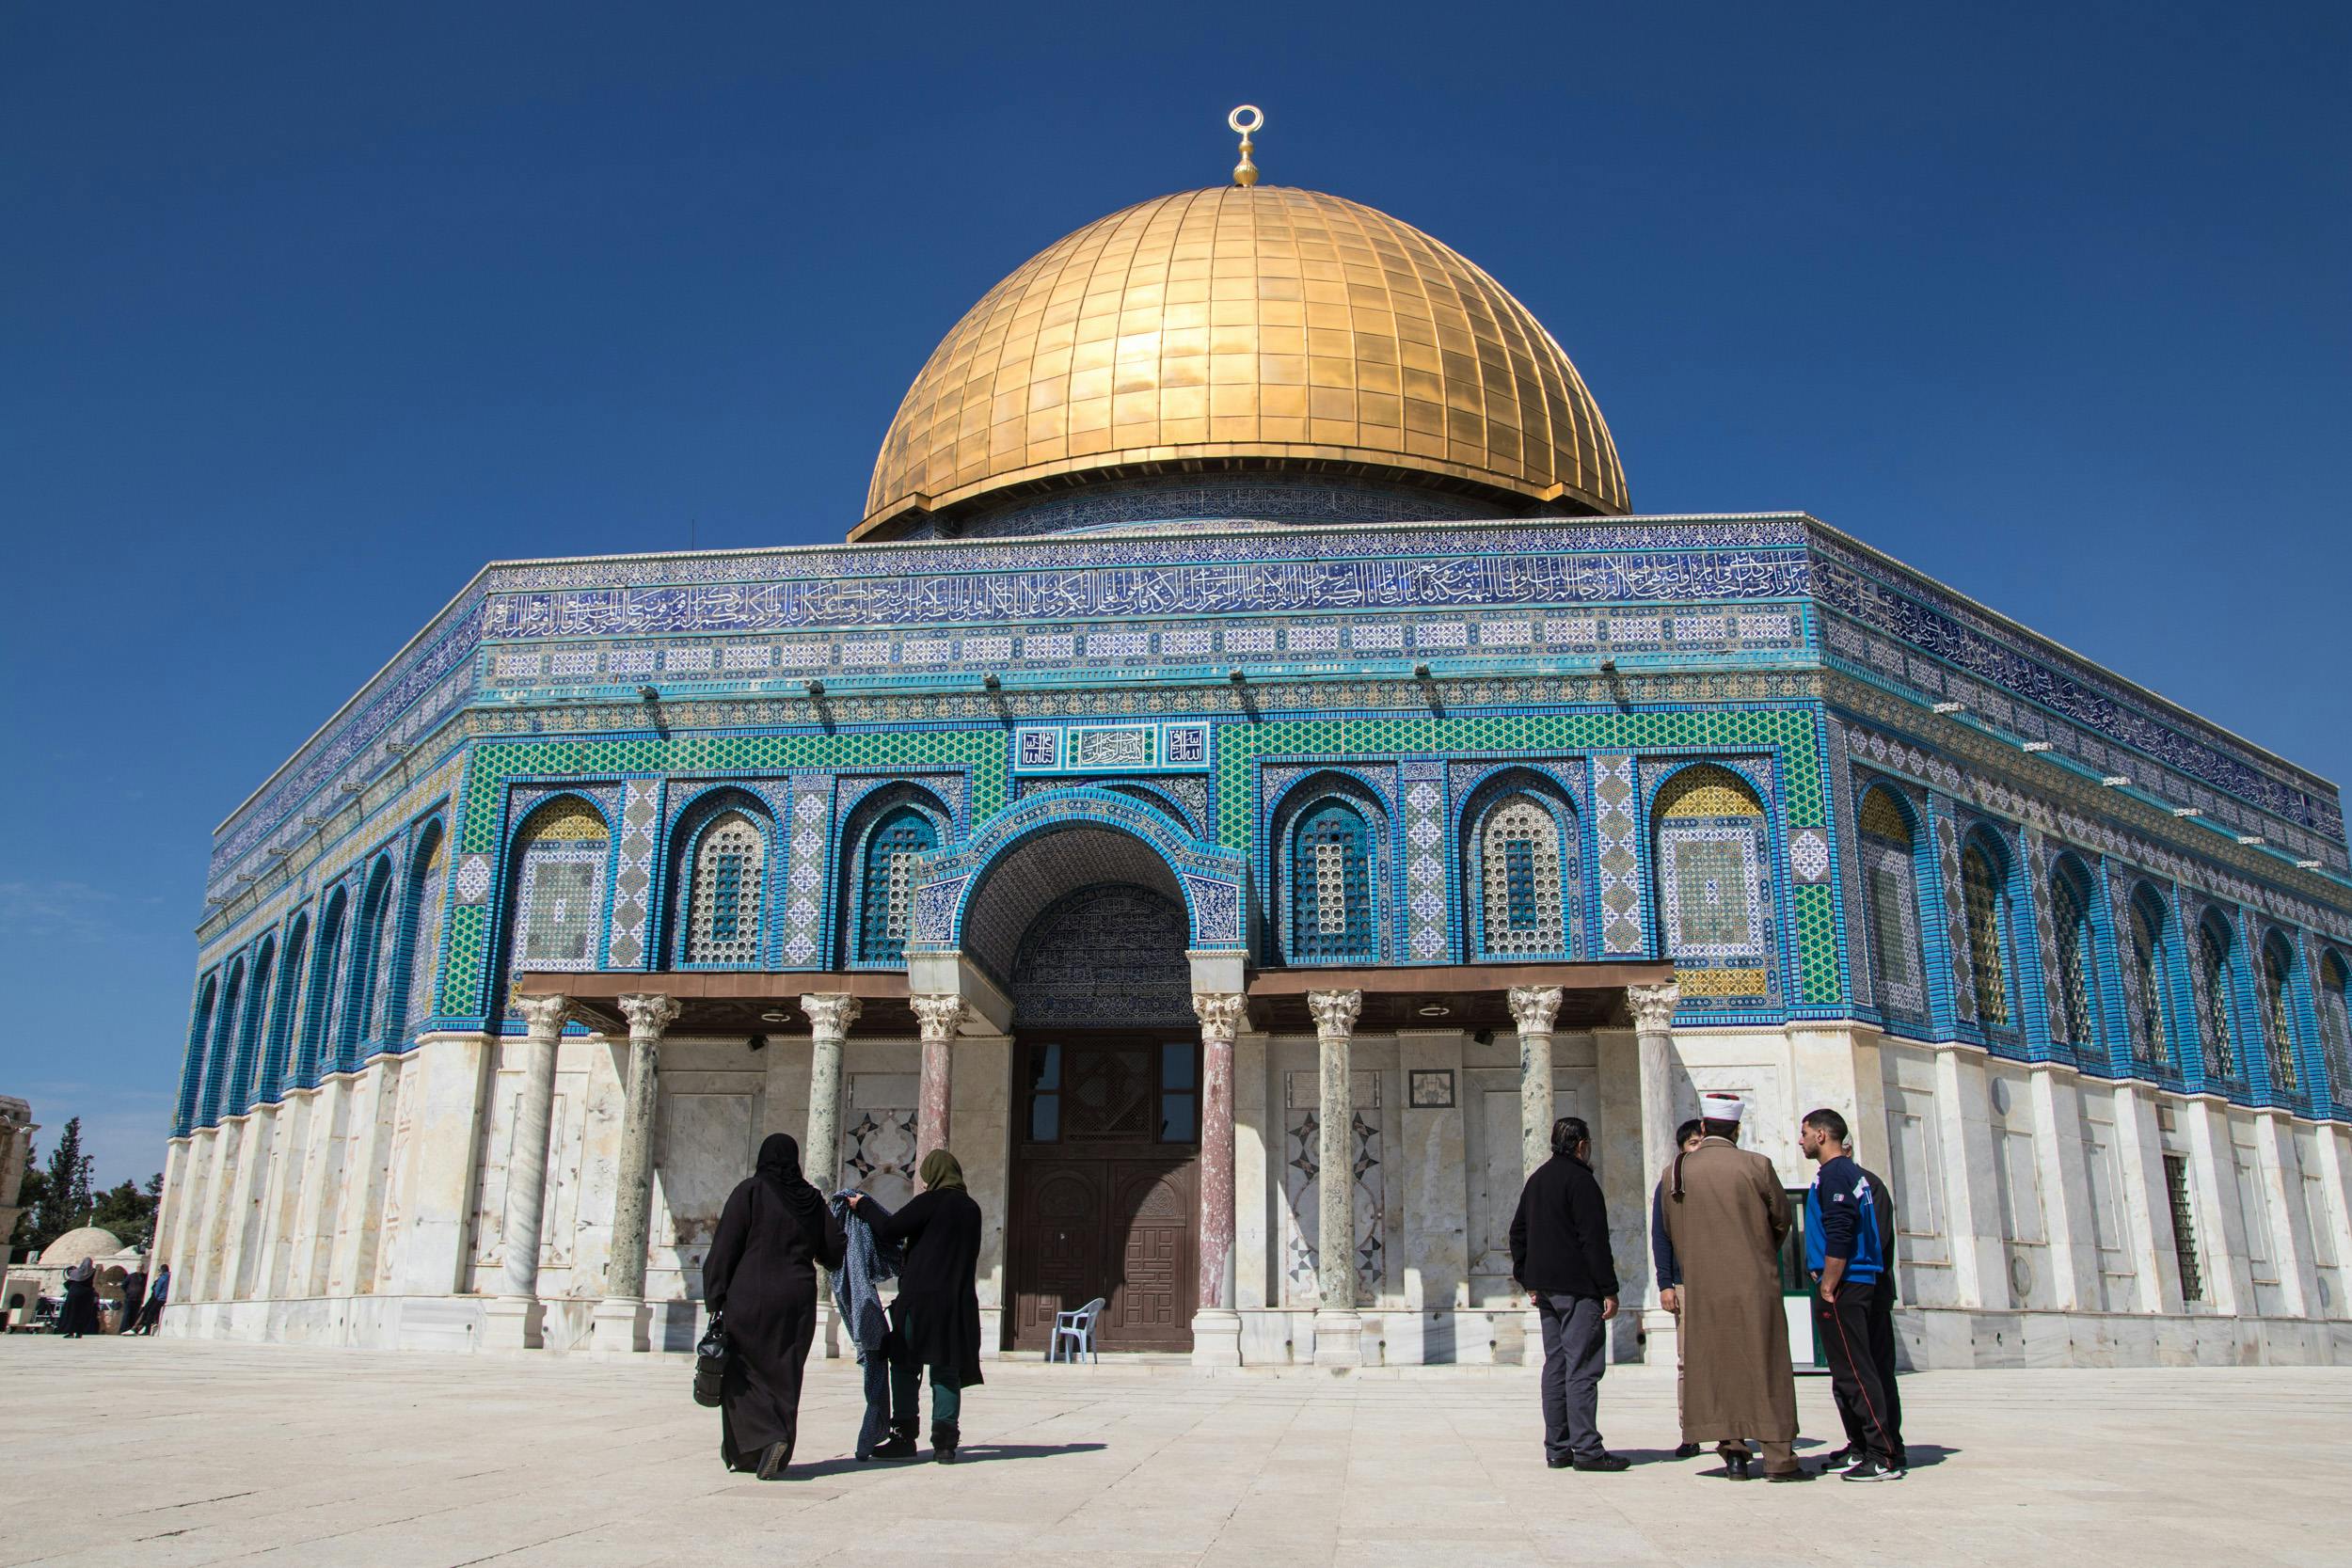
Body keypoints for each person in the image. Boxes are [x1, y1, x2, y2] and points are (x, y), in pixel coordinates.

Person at [1661, 1093, 1809, 1481]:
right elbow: (1782, 1220)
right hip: (1756, 1282)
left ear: (1704, 1128)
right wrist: (1757, 1252)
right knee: (1766, 1362)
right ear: (1737, 1130)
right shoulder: (1757, 1166)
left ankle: (1734, 1454)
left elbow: (1671, 1229)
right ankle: (1779, 1459)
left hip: (1704, 1283)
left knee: (1718, 1363)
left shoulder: (1677, 1171)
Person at [702, 1132, 846, 1479]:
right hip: (797, 1297)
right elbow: (834, 1251)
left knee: (743, 1371)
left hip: (751, 1294)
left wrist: (715, 1295)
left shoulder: (750, 1192)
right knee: (785, 1370)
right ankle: (772, 1444)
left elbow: (725, 1248)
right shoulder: (811, 1199)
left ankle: (762, 1442)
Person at [850, 1148, 983, 1464]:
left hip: (920, 1302)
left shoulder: (931, 1202)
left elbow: (890, 1228)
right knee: (946, 1368)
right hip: (957, 1303)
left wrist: (864, 1205)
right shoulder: (971, 1208)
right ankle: (946, 1444)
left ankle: (904, 1436)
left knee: (906, 1364)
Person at [1510, 1116, 1626, 1471]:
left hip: (1545, 1290)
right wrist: (1608, 1289)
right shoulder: (1582, 1182)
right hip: (1578, 1291)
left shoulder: (1537, 1181)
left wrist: (1527, 1279)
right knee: (1582, 1368)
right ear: (1580, 1145)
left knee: (1556, 1365)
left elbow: (1518, 1234)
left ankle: (1557, 1448)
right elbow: (1594, 1242)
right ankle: (1588, 1450)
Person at [1802, 1108, 1905, 1481]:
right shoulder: (1848, 1176)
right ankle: (1865, 1445)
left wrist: (1829, 1281)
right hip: (1856, 1282)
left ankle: (1883, 1453)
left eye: (1805, 1132)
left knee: (1859, 1372)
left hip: (1848, 1284)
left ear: (1822, 1136)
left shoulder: (1839, 1175)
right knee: (1850, 1372)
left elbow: (1842, 1231)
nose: (1800, 1140)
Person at [828, 1183, 903, 1461]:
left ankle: (874, 1431)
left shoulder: (843, 1246)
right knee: (877, 1367)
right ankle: (877, 1430)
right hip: (866, 1310)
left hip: (865, 1311)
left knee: (875, 1367)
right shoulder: (851, 1248)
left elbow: (891, 1231)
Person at [1650, 1118, 1706, 1458]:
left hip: (1719, 1281)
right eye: (1693, 1143)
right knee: (1688, 1362)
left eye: (1703, 1142)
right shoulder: (1671, 1183)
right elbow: (1661, 1235)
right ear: (1683, 1148)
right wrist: (1665, 1283)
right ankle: (1690, 1431)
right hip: (1685, 1283)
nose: (1698, 1149)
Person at [56, 1257, 101, 1338]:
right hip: (86, 1296)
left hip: (73, 1295)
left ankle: (70, 1332)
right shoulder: (93, 1272)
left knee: (72, 1313)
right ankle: (79, 1332)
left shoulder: (75, 1272)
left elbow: (68, 1278)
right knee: (83, 1314)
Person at [131, 1264, 170, 1335]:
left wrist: (156, 1296)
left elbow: (157, 1290)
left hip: (159, 1298)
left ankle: (147, 1330)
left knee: (150, 1312)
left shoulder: (162, 1278)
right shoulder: (169, 1277)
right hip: (164, 1298)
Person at [119, 1266, 149, 1336]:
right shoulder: (131, 1276)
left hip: (138, 1299)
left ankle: (131, 1329)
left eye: (141, 1268)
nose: (140, 1269)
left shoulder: (144, 1277)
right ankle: (123, 1329)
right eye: (139, 1267)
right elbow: (123, 1285)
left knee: (134, 1314)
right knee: (127, 1314)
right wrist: (128, 1292)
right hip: (129, 1298)